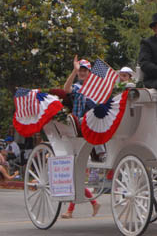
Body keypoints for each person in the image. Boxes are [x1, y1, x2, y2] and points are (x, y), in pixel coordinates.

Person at [61, 56, 101, 218]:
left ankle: (72, 210)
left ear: (90, 73)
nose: (82, 73)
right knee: (75, 172)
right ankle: (92, 203)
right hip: (77, 127)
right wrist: (74, 70)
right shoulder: (77, 86)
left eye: (85, 70)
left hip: (88, 126)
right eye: (81, 71)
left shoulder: (95, 88)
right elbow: (66, 88)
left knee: (75, 172)